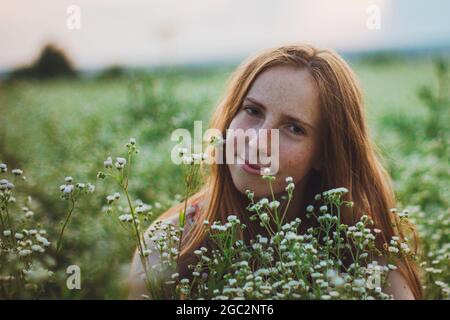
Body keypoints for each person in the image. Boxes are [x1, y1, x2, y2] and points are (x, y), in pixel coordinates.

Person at [128, 43, 422, 300]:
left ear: (324, 153)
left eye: (294, 128)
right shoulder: (169, 244)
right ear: (231, 115)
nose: (257, 143)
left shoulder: (363, 249)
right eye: (253, 111)